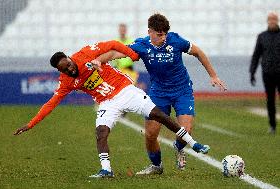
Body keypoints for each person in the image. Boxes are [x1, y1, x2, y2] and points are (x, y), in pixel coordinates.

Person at [14, 40, 210, 178]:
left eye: (69, 65)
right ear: (60, 71)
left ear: (69, 58)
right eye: (65, 69)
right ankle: (106, 170)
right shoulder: (66, 81)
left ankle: (193, 143)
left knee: (158, 115)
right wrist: (31, 124)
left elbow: (113, 44)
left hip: (124, 90)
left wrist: (132, 55)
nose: (70, 70)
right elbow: (51, 103)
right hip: (107, 102)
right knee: (100, 132)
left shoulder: (85, 54)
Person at [96, 13, 227, 175]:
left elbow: (198, 52)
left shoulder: (176, 40)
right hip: (158, 92)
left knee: (186, 130)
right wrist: (97, 60)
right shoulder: (141, 45)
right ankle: (156, 166)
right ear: (150, 31)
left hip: (182, 90)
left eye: (165, 33)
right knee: (151, 134)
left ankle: (179, 148)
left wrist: (213, 76)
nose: (163, 37)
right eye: (159, 34)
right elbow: (116, 53)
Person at [250, 12, 280, 135]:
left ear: (277, 20)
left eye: (274, 19)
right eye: (270, 19)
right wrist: (252, 72)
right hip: (267, 72)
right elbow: (256, 55)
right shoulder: (262, 36)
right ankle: (272, 125)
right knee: (270, 100)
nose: (272, 21)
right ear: (267, 21)